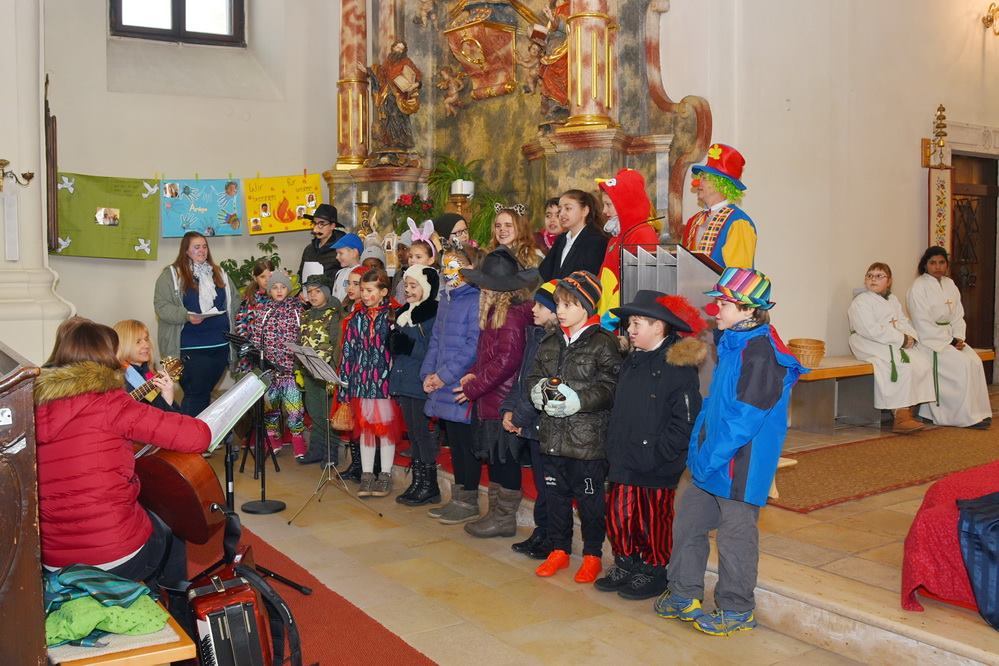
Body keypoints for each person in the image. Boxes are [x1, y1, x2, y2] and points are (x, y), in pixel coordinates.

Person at [655, 268, 806, 636]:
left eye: (723, 304)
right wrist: (697, 449)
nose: (714, 310)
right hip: (713, 458)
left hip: (740, 464)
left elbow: (744, 420)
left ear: (749, 309)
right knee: (689, 520)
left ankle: (737, 609)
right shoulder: (734, 342)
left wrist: (708, 458)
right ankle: (684, 593)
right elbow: (713, 405)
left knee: (735, 536)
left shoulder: (762, 353)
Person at [34, 319, 211, 588]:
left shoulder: (34, 406)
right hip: (112, 555)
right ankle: (173, 602)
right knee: (171, 521)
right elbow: (198, 436)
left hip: (54, 558)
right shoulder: (110, 402)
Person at [596, 292, 705, 601]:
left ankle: (654, 568)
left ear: (658, 326)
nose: (630, 330)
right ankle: (626, 561)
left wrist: (662, 453)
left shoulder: (677, 366)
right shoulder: (632, 359)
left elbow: (685, 419)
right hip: (625, 454)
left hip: (655, 461)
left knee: (651, 519)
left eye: (637, 323)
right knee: (620, 514)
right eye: (630, 323)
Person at [529, 270, 621, 583]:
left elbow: (611, 386)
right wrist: (536, 390)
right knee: (555, 496)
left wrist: (579, 400)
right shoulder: (550, 341)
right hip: (552, 436)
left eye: (568, 305)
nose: (560, 311)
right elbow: (535, 374)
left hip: (586, 441)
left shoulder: (603, 343)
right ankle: (559, 549)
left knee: (590, 502)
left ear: (587, 306)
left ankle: (592, 554)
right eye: (558, 304)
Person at [456, 248, 539, 538]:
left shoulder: (513, 316)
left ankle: (504, 519)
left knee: (505, 460)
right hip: (491, 396)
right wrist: (474, 372)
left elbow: (507, 361)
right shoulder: (498, 311)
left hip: (502, 399)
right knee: (495, 459)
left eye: (484, 285)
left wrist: (474, 387)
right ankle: (495, 513)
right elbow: (488, 354)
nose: (481, 289)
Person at [423, 245, 483, 524]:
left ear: (470, 268)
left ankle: (468, 500)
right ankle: (458, 498)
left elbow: (473, 346)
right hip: (442, 381)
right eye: (445, 266)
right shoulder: (446, 298)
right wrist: (428, 374)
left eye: (455, 266)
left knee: (466, 444)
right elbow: (436, 340)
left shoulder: (476, 299)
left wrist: (444, 376)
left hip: (460, 383)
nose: (449, 272)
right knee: (455, 445)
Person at [503, 279, 559, 560]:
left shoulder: (555, 342)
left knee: (551, 485)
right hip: (530, 422)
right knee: (540, 481)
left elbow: (543, 386)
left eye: (540, 305)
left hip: (544, 424)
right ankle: (542, 530)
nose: (533, 309)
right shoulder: (535, 335)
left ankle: (553, 537)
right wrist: (508, 409)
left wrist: (519, 416)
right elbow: (522, 379)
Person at [153, 231, 238, 416]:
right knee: (196, 395)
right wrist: (186, 316)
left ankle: (199, 432)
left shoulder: (219, 273)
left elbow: (234, 302)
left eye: (204, 246)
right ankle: (187, 434)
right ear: (186, 250)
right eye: (196, 247)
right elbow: (162, 306)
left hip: (220, 347)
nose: (202, 250)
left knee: (204, 395)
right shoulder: (172, 274)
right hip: (191, 350)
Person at [906, 247, 991, 429]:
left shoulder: (950, 284)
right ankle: (959, 416)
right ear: (925, 265)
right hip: (930, 342)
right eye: (933, 263)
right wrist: (949, 341)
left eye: (941, 262)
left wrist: (958, 337)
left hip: (951, 339)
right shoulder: (918, 287)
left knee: (975, 362)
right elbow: (922, 322)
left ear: (947, 264)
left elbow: (958, 315)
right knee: (962, 364)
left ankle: (978, 413)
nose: (937, 267)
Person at [848, 262, 934, 434]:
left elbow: (902, 321)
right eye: (870, 275)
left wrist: (910, 337)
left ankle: (910, 409)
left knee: (921, 361)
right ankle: (900, 415)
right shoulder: (861, 301)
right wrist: (901, 339)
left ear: (889, 281)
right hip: (867, 341)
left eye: (879, 276)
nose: (873, 279)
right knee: (900, 364)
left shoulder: (892, 300)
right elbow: (869, 329)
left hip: (890, 340)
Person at [339, 269, 401, 497]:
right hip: (362, 383)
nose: (364, 295)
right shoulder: (356, 319)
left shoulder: (394, 317)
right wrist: (344, 386)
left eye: (369, 290)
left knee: (385, 431)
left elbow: (399, 353)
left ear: (383, 292)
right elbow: (348, 353)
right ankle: (367, 475)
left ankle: (384, 475)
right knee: (365, 431)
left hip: (385, 385)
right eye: (362, 290)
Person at [390, 265, 441, 505]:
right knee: (412, 433)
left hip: (420, 381)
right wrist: (393, 342)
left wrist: (408, 346)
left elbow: (433, 350)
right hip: (404, 379)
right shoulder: (404, 313)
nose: (408, 290)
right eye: (406, 286)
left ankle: (430, 485)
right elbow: (401, 348)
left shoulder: (431, 314)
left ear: (427, 288)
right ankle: (418, 481)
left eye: (413, 286)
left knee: (421, 433)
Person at [250, 271, 307, 457]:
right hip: (270, 370)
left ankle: (298, 439)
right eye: (275, 287)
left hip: (290, 370)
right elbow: (257, 339)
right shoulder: (263, 311)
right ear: (269, 291)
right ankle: (273, 438)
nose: (279, 290)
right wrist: (261, 363)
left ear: (288, 289)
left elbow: (303, 336)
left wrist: (299, 364)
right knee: (270, 408)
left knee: (295, 408)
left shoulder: (297, 310)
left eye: (283, 287)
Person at [595, 169, 661, 327]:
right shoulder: (616, 236)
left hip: (623, 320)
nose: (604, 211)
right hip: (607, 315)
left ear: (625, 204)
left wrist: (614, 314)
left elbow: (639, 283)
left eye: (608, 205)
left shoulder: (643, 234)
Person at [680, 144, 756, 269]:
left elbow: (738, 274)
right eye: (700, 178)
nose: (697, 182)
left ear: (722, 184)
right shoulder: (693, 221)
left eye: (705, 178)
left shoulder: (738, 223)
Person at [298, 274, 344, 465]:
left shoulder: (334, 315)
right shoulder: (306, 315)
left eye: (317, 291)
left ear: (326, 292)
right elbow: (300, 341)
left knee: (327, 414)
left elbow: (336, 345)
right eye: (309, 292)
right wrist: (298, 369)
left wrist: (333, 373)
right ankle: (316, 450)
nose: (313, 295)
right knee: (315, 413)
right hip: (309, 372)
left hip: (326, 374)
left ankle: (331, 452)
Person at [538, 190, 608, 281]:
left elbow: (587, 278)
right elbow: (544, 272)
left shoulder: (596, 241)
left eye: (568, 208)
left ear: (585, 211)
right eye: (560, 210)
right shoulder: (561, 239)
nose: (562, 214)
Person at [113, 319, 178, 412]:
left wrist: (168, 399)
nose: (146, 345)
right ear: (123, 345)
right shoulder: (118, 381)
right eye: (138, 341)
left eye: (146, 339)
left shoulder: (148, 372)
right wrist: (167, 402)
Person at [369, 40, 422, 152]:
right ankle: (389, 141)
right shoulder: (387, 62)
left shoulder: (406, 61)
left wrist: (414, 85)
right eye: (397, 47)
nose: (399, 50)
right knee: (388, 118)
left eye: (401, 49)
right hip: (387, 94)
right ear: (393, 48)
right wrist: (368, 71)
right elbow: (380, 74)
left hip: (400, 96)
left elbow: (418, 77)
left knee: (398, 117)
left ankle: (400, 141)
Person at [234, 258, 274, 373]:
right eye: (262, 276)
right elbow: (240, 324)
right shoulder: (249, 299)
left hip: (273, 354)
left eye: (270, 276)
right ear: (255, 278)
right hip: (252, 354)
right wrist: (249, 345)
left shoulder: (280, 298)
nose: (267, 280)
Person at [298, 204, 346, 281]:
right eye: (314, 223)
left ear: (332, 226)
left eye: (321, 224)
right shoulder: (309, 249)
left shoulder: (341, 250)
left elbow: (345, 277)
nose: (315, 229)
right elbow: (301, 274)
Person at [485, 204, 543, 268]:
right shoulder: (487, 255)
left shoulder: (533, 256)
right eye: (498, 226)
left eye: (508, 225)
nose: (502, 229)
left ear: (520, 228)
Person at [330, 233, 364, 302]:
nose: (337, 257)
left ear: (354, 252)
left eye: (341, 253)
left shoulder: (361, 273)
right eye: (337, 253)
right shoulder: (339, 273)